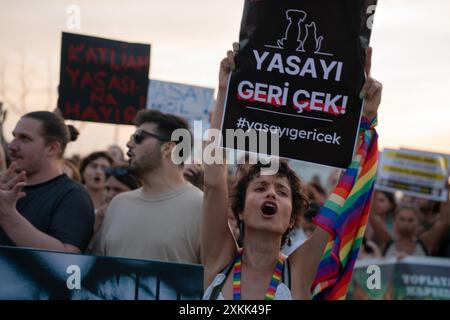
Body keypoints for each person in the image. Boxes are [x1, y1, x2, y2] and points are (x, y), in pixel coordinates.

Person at [202, 45, 382, 300]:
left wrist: (362, 114)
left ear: (291, 219)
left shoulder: (299, 270)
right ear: (239, 209)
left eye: (282, 192)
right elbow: (213, 182)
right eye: (260, 188)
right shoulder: (220, 258)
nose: (271, 194)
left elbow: (345, 198)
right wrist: (225, 91)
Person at [93, 110, 203, 264]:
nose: (129, 144)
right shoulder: (118, 203)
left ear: (167, 148)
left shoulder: (201, 206)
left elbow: (214, 277)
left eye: (139, 138)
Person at [0, 111, 94, 253]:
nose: (12, 146)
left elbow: (67, 258)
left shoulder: (72, 196)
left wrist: (7, 215)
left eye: (24, 139)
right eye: (14, 136)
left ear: (52, 148)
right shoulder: (7, 189)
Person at [86, 166, 141, 252]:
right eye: (107, 189)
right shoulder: (99, 216)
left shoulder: (143, 219)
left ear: (134, 191)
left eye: (117, 190)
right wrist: (95, 223)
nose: (109, 195)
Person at [372, 201, 450, 258]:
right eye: (402, 219)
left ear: (418, 223)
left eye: (410, 220)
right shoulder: (387, 241)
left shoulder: (425, 243)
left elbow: (444, 222)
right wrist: (374, 184)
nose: (406, 223)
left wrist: (446, 191)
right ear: (395, 220)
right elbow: (372, 216)